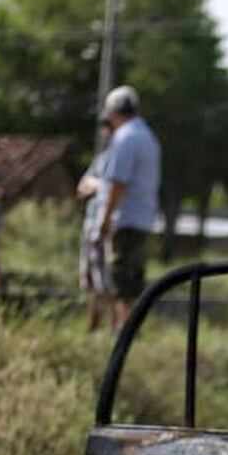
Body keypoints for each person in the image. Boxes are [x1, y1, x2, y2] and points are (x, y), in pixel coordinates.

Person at [77, 84, 161, 331]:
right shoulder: (148, 137)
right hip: (141, 218)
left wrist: (105, 219)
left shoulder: (125, 138)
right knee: (132, 278)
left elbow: (117, 183)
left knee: (121, 279)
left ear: (113, 112)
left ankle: (123, 333)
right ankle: (128, 331)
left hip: (124, 218)